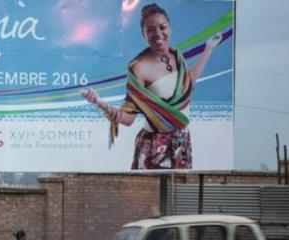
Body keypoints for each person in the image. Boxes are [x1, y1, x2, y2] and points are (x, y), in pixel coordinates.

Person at [82, 2, 223, 169]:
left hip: (181, 142)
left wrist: (208, 49)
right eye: (150, 30)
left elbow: (188, 84)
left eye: (162, 27)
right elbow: (128, 118)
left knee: (176, 194)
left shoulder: (177, 56)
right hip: (154, 146)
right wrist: (100, 103)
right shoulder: (139, 67)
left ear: (169, 27)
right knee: (149, 195)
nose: (158, 34)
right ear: (144, 35)